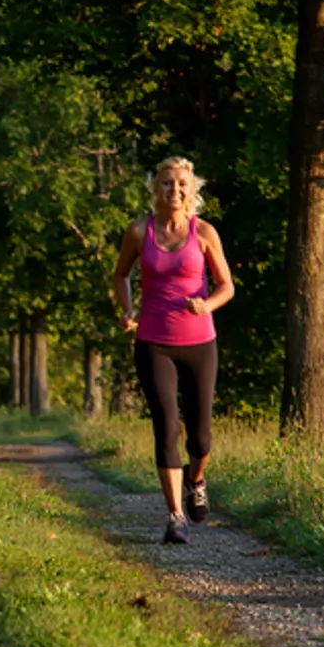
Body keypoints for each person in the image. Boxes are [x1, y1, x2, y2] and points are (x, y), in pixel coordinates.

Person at [111, 156, 235, 544]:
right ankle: (175, 516)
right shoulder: (138, 232)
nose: (174, 191)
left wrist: (207, 305)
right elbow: (121, 275)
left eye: (181, 184)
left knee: (200, 437)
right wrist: (127, 309)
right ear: (155, 189)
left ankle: (196, 480)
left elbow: (226, 285)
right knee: (165, 426)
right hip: (152, 341)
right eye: (167, 183)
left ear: (192, 189)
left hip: (200, 341)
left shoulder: (205, 233)